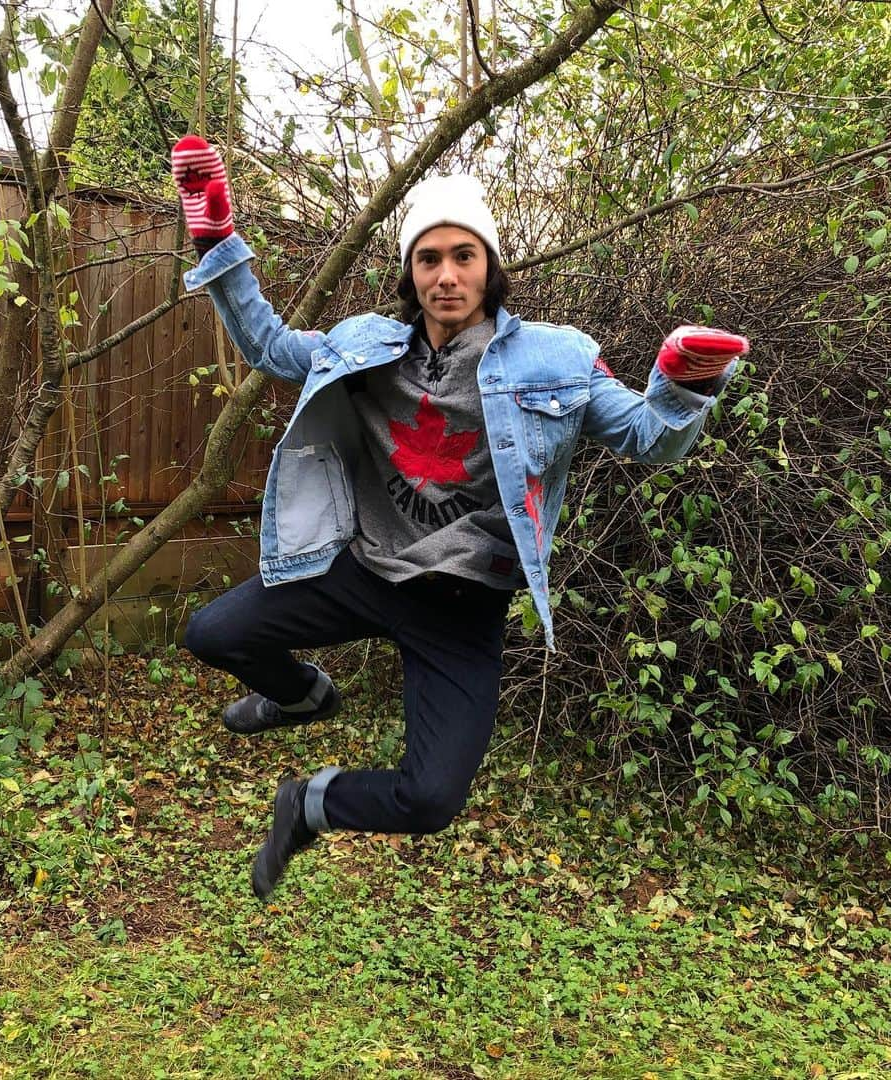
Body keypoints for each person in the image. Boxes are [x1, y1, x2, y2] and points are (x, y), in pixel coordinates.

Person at [170, 135, 749, 899]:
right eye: (430, 257)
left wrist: (682, 382)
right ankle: (305, 696)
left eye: (465, 256)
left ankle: (308, 803)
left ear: (491, 267)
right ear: (411, 271)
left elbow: (649, 437)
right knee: (211, 632)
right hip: (364, 572)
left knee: (432, 799)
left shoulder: (558, 359)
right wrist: (218, 239)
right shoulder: (363, 345)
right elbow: (274, 348)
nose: (447, 274)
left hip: (462, 603)